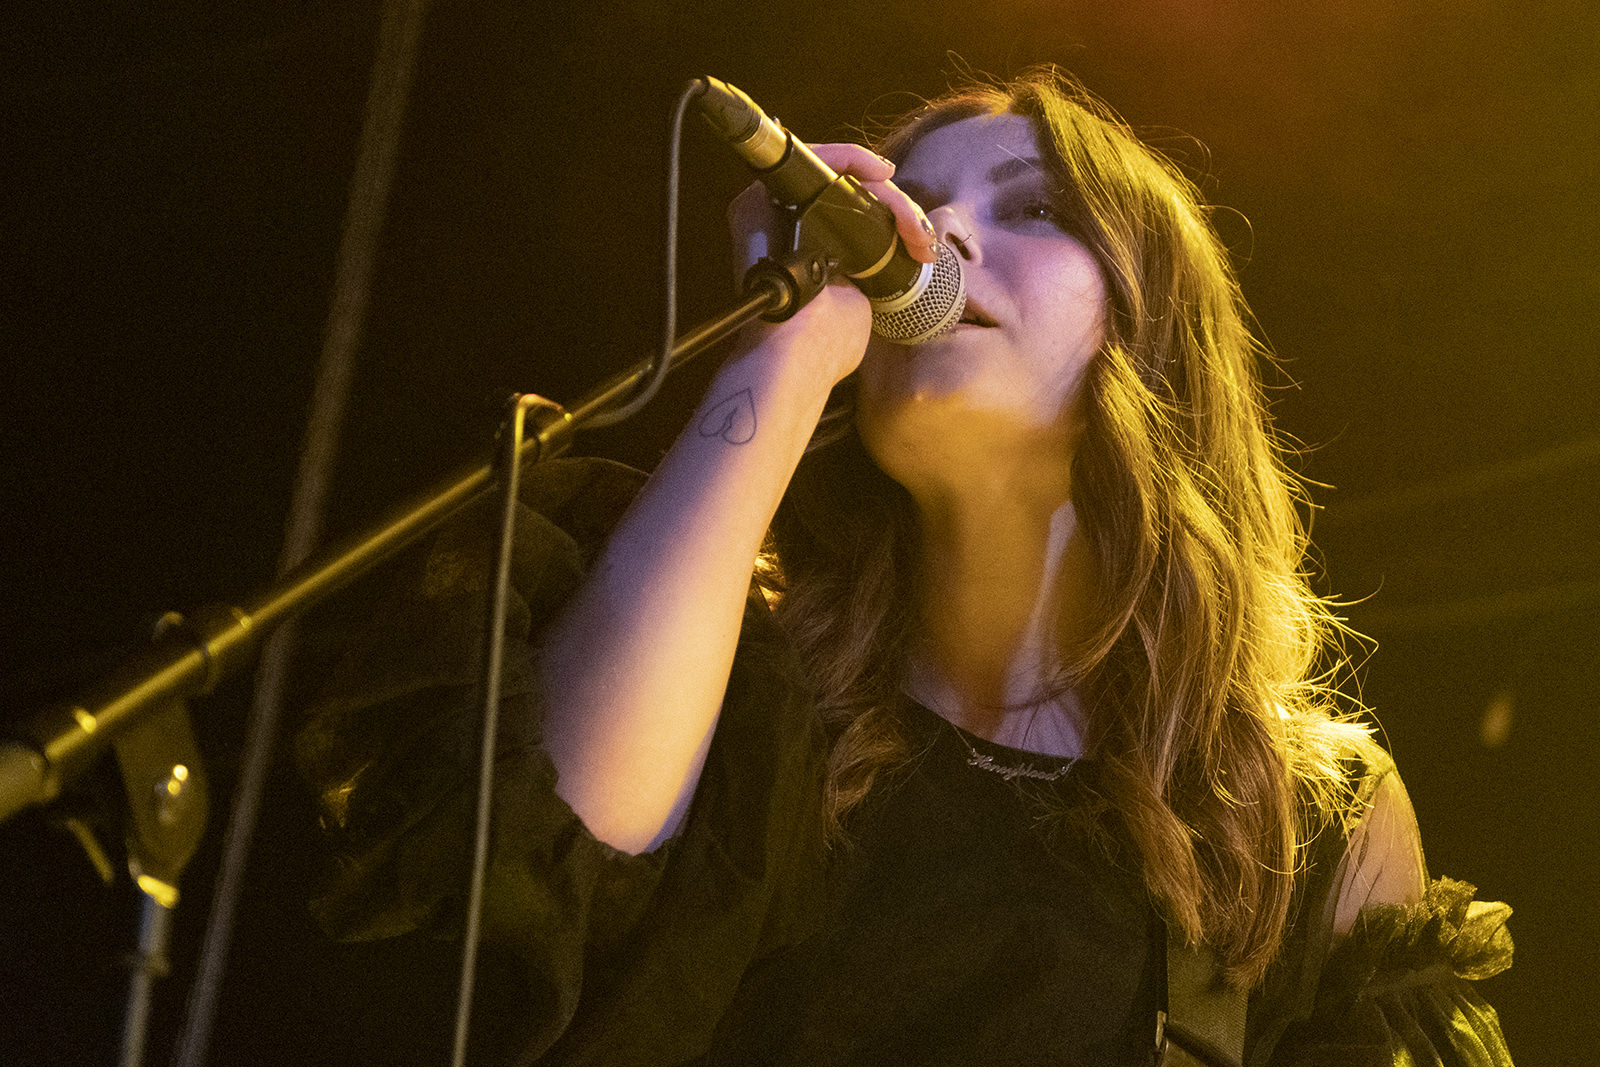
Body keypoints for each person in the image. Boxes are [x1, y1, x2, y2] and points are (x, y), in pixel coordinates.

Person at [292, 70, 1514, 1065]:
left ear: (1152, 335)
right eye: (912, 202)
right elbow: (551, 855)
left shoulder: (1294, 814)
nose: (936, 235)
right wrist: (781, 350)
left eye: (1033, 207)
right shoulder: (734, 690)